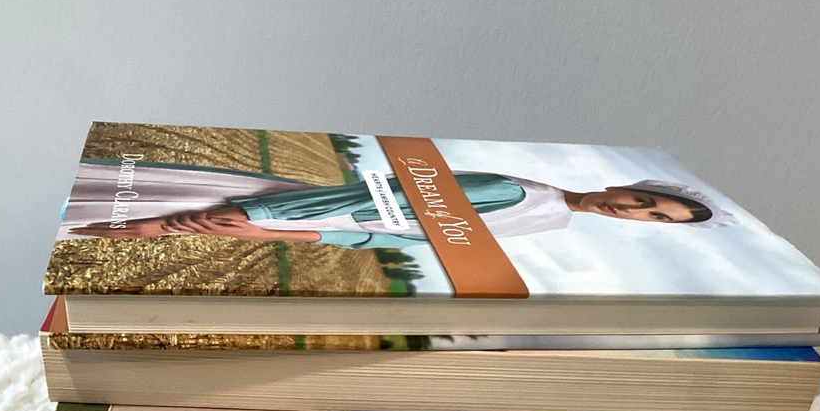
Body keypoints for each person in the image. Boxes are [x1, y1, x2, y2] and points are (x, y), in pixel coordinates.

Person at [60, 159, 736, 246]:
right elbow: (374, 200)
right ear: (625, 187)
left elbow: (403, 237)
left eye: (653, 219)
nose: (635, 211)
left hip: (299, 228)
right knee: (147, 225)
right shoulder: (522, 191)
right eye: (645, 200)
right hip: (285, 209)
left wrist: (287, 239)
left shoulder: (549, 223)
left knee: (148, 232)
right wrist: (267, 219)